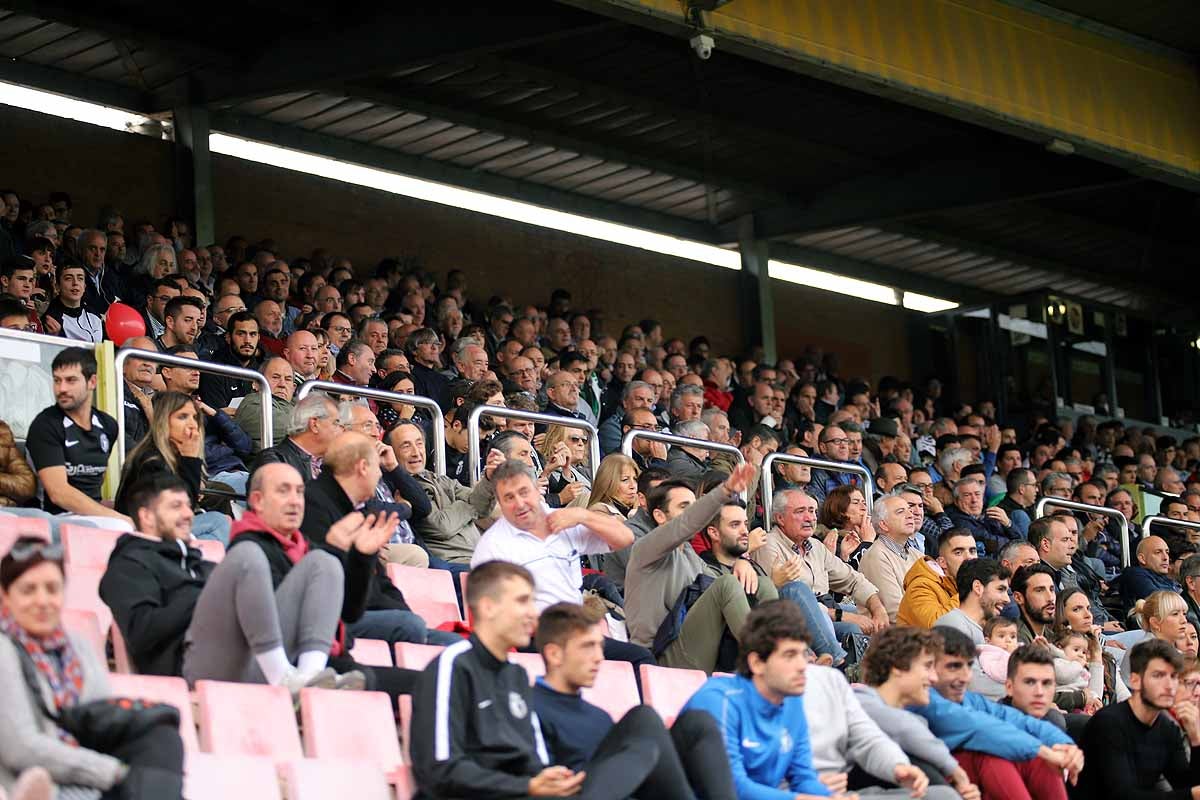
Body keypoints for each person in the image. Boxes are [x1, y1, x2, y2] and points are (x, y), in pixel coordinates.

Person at [182, 462, 397, 696]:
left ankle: (308, 678)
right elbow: (274, 617)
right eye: (283, 491)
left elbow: (349, 613)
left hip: (287, 662)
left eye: (300, 492)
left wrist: (361, 558)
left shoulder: (309, 550)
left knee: (325, 561)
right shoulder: (248, 546)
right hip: (230, 665)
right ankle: (289, 678)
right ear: (257, 501)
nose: (295, 500)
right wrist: (332, 549)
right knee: (258, 556)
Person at [0, 536, 185, 797]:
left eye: (52, 589)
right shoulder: (4, 649)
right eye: (28, 590)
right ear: (5, 596)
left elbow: (103, 720)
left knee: (162, 736)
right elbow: (19, 747)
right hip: (47, 783)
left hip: (98, 781)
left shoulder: (77, 645)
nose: (42, 601)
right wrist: (113, 772)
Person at [411, 562, 583, 799]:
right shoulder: (454, 665)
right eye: (523, 601)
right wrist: (527, 787)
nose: (534, 613)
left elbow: (534, 761)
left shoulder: (518, 675)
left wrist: (551, 781)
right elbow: (440, 770)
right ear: (488, 607)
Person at [531, 602, 736, 800]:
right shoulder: (528, 707)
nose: (599, 657)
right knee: (644, 719)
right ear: (554, 654)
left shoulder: (599, 716)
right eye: (587, 647)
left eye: (600, 647)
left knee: (697, 723)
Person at [469, 460, 653, 670]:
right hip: (532, 636)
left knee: (641, 658)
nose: (519, 503)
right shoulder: (493, 545)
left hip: (577, 629)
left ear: (538, 490)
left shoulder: (562, 519)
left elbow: (625, 538)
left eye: (524, 492)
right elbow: (488, 614)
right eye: (509, 498)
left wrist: (582, 516)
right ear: (500, 504)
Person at [683, 601, 859, 800]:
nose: (802, 665)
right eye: (789, 655)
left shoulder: (792, 703)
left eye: (803, 654)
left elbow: (803, 779)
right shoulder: (717, 701)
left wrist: (831, 797)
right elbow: (733, 787)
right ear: (757, 663)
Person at [299, 431, 458, 649]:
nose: (379, 476)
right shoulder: (313, 503)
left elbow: (381, 582)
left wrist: (403, 612)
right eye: (377, 468)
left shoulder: (356, 509)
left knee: (459, 645)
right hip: (332, 622)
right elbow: (327, 584)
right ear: (363, 467)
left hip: (370, 613)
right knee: (411, 626)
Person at [624, 464, 774, 673]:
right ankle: (769, 660)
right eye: (686, 507)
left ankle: (781, 647)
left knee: (762, 584)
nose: (696, 514)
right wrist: (725, 490)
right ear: (659, 516)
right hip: (659, 657)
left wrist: (741, 560)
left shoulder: (691, 555)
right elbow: (686, 524)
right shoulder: (645, 550)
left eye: (696, 506)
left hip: (696, 647)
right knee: (727, 583)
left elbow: (721, 593)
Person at [911, 627, 1080, 800]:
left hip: (963, 780)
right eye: (954, 667)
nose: (965, 677)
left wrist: (1066, 747)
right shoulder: (922, 699)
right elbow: (981, 728)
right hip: (932, 783)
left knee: (1042, 760)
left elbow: (1013, 719)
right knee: (992, 753)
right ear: (928, 667)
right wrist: (1042, 750)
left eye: (969, 666)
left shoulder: (969, 699)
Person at [99, 475, 214, 676]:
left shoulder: (196, 563)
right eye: (176, 506)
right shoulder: (129, 565)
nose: (188, 513)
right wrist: (202, 593)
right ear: (147, 516)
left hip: (226, 648)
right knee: (246, 559)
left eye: (188, 505)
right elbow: (143, 632)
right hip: (183, 663)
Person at [854, 627, 981, 800]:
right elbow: (901, 726)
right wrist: (955, 770)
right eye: (927, 666)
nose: (934, 678)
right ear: (898, 666)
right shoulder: (859, 701)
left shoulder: (912, 723)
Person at [749, 488, 889, 638]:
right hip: (795, 623)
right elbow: (787, 603)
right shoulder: (768, 545)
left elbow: (854, 580)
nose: (810, 518)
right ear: (780, 518)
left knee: (874, 617)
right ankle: (839, 661)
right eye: (800, 511)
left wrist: (878, 608)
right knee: (852, 629)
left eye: (812, 511)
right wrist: (841, 615)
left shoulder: (815, 546)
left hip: (828, 611)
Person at [24, 348, 131, 533]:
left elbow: (92, 489)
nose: (62, 388)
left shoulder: (108, 425)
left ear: (92, 381)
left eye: (71, 380)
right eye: (57, 380)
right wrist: (118, 517)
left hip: (91, 516)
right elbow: (59, 494)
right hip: (54, 519)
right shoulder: (45, 425)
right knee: (123, 527)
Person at [1077, 639, 1200, 798]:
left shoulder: (1167, 728)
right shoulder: (1108, 723)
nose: (1169, 685)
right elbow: (1123, 795)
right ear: (1135, 681)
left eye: (1174, 677)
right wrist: (1191, 794)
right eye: (1158, 676)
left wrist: (1196, 739)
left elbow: (1187, 785)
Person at [112, 391, 232, 546]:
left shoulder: (170, 454)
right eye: (182, 417)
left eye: (195, 417)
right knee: (218, 521)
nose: (192, 424)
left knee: (219, 525)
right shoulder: (150, 459)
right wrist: (190, 459)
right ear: (163, 421)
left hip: (163, 528)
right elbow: (181, 507)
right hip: (142, 532)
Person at [388, 421, 497, 565]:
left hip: (480, 559)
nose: (416, 452)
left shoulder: (439, 479)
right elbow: (441, 526)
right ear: (391, 453)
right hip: (453, 564)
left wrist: (489, 478)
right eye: (406, 446)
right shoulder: (403, 489)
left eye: (419, 443)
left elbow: (482, 507)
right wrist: (469, 505)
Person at [935, 558, 1013, 699]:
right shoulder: (952, 624)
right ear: (978, 587)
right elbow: (972, 684)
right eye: (1000, 589)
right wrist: (1023, 693)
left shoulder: (985, 630)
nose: (1007, 599)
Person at [896, 529, 978, 628]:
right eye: (958, 552)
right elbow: (938, 627)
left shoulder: (969, 584)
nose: (968, 557)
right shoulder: (920, 587)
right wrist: (966, 591)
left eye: (972, 551)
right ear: (942, 562)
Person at [858, 495, 921, 621]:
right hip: (896, 636)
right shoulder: (876, 556)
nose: (910, 515)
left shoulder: (917, 554)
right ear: (884, 525)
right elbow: (894, 612)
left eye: (909, 510)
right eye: (900, 512)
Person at [253, 393, 341, 479]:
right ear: (314, 424)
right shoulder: (275, 461)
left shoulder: (330, 466)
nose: (341, 431)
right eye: (336, 423)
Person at [234, 356, 295, 451]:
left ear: (294, 387)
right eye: (275, 377)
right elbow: (279, 425)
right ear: (256, 384)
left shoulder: (298, 405)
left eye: (288, 379)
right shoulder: (252, 403)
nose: (282, 384)